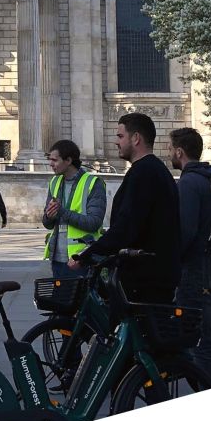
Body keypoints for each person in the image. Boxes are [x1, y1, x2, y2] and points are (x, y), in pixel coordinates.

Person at [73, 113, 181, 303]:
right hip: (152, 274)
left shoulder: (144, 172)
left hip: (145, 279)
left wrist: (88, 255)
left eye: (120, 136)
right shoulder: (154, 169)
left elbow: (127, 226)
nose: (116, 142)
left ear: (136, 138)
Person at [169, 127, 211, 388]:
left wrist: (172, 259)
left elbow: (186, 232)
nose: (169, 153)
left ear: (180, 152)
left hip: (198, 272)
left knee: (203, 343)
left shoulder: (189, 183)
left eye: (170, 148)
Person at [42, 139, 106, 279]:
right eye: (50, 159)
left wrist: (61, 212)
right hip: (57, 260)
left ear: (68, 160)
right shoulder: (54, 182)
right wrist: (48, 216)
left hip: (82, 259)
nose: (50, 164)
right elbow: (47, 223)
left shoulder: (93, 183)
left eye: (55, 160)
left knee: (81, 294)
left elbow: (94, 223)